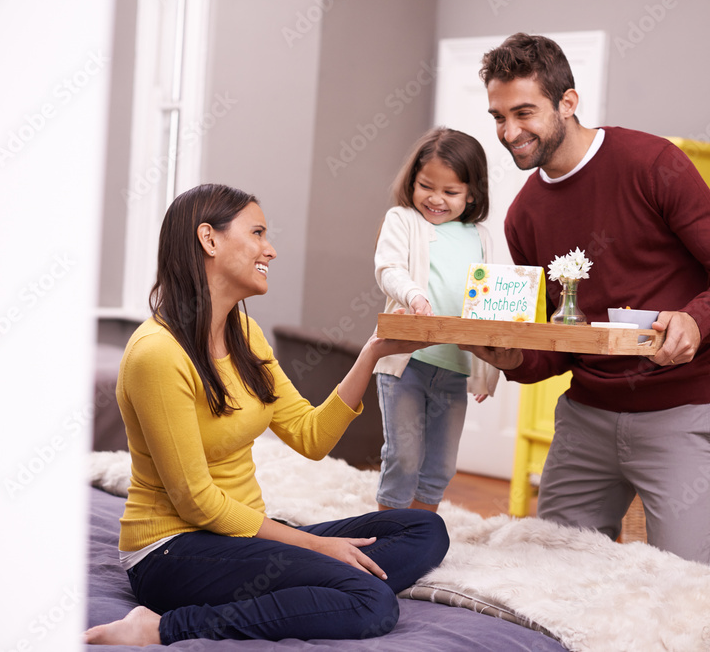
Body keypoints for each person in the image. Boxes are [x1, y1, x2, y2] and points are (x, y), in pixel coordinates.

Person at [83, 183, 449, 646]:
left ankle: (306, 587)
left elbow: (310, 437)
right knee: (371, 603)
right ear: (209, 239)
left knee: (424, 529)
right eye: (257, 232)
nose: (270, 250)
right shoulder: (157, 353)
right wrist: (314, 545)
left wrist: (373, 353)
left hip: (240, 539)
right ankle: (159, 626)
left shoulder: (245, 333)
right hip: (171, 551)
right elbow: (195, 501)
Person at [467, 33, 710, 564]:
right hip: (585, 419)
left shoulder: (653, 164)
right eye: (497, 116)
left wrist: (697, 322)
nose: (509, 132)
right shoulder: (524, 215)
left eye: (524, 112)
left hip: (679, 415)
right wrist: (514, 359)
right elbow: (559, 343)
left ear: (568, 103)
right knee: (551, 578)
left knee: (681, 588)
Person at [373, 126, 499, 512]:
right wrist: (413, 294)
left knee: (441, 466)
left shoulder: (480, 237)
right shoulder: (403, 220)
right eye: (427, 186)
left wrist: (486, 370)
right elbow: (388, 267)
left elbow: (487, 305)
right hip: (406, 365)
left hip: (454, 369)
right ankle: (386, 532)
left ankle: (417, 535)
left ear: (472, 193)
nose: (436, 199)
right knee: (404, 456)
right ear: (413, 181)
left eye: (451, 192)